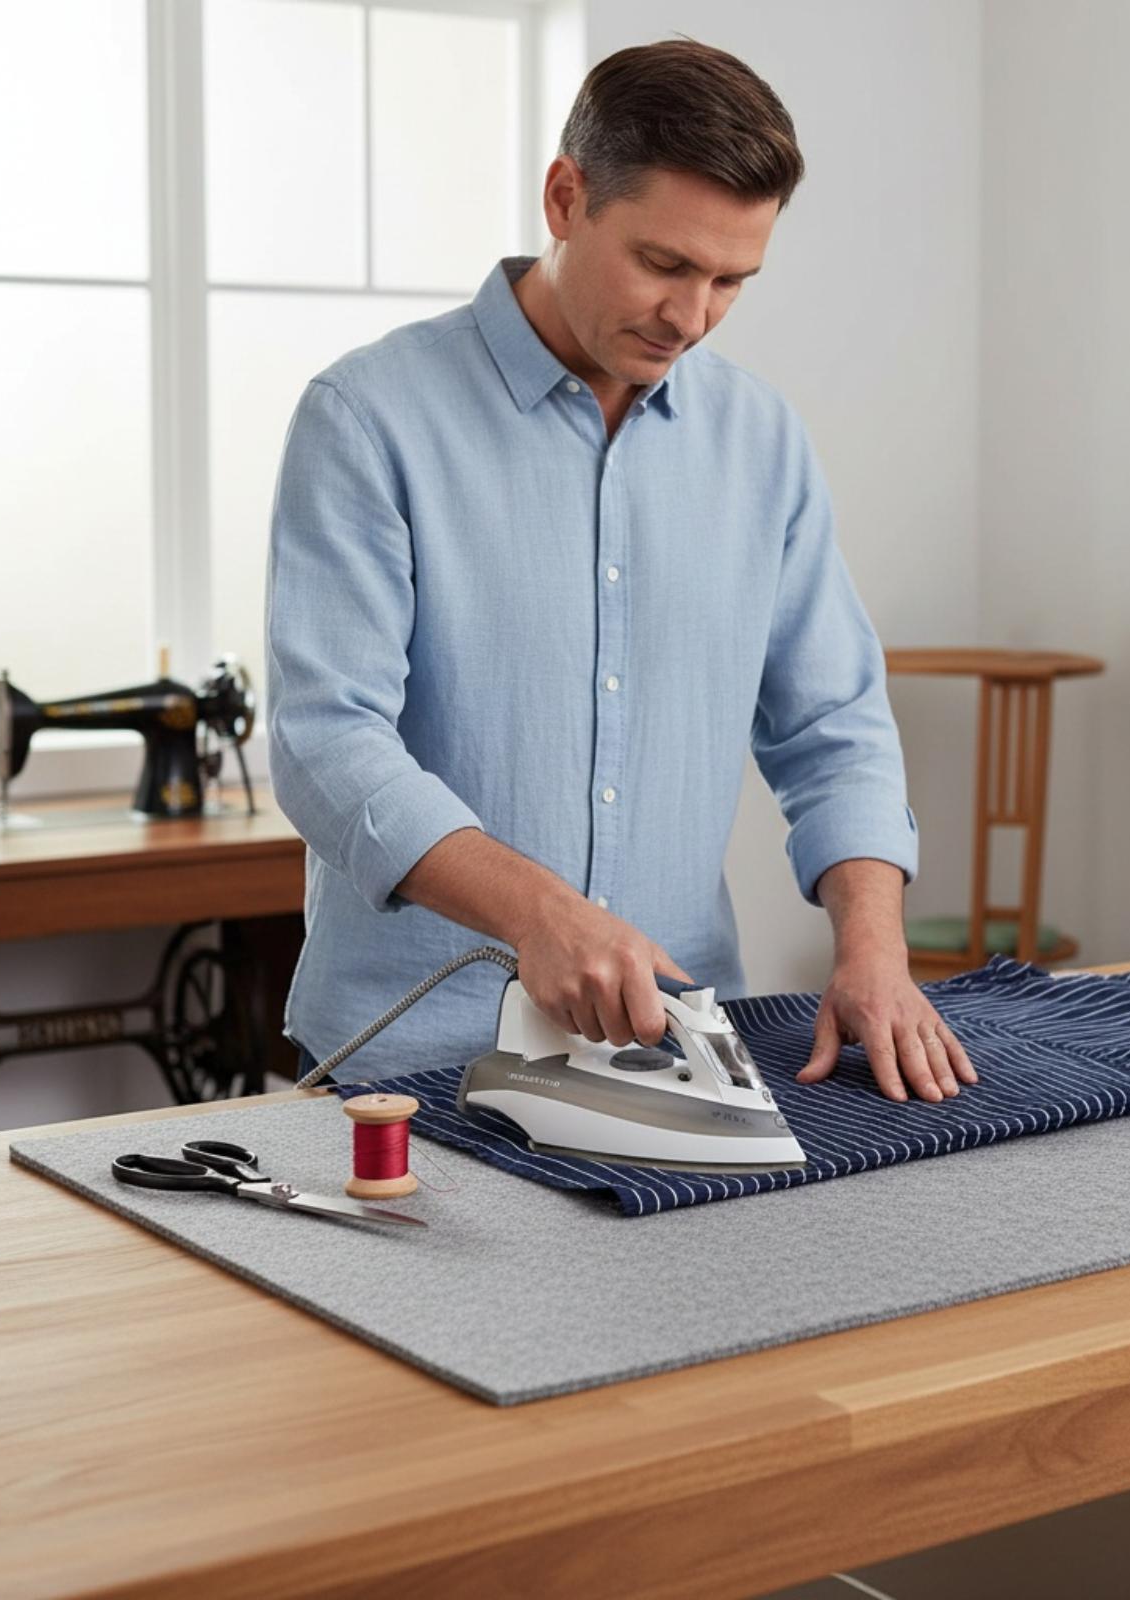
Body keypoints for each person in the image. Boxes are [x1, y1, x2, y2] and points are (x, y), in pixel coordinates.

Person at [267, 38, 975, 1103]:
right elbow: (326, 742)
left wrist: (873, 948)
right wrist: (539, 913)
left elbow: (834, 726)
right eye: (664, 264)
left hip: (678, 1055)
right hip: (410, 1062)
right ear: (566, 198)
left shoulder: (760, 442)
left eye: (731, 280)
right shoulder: (369, 419)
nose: (691, 317)